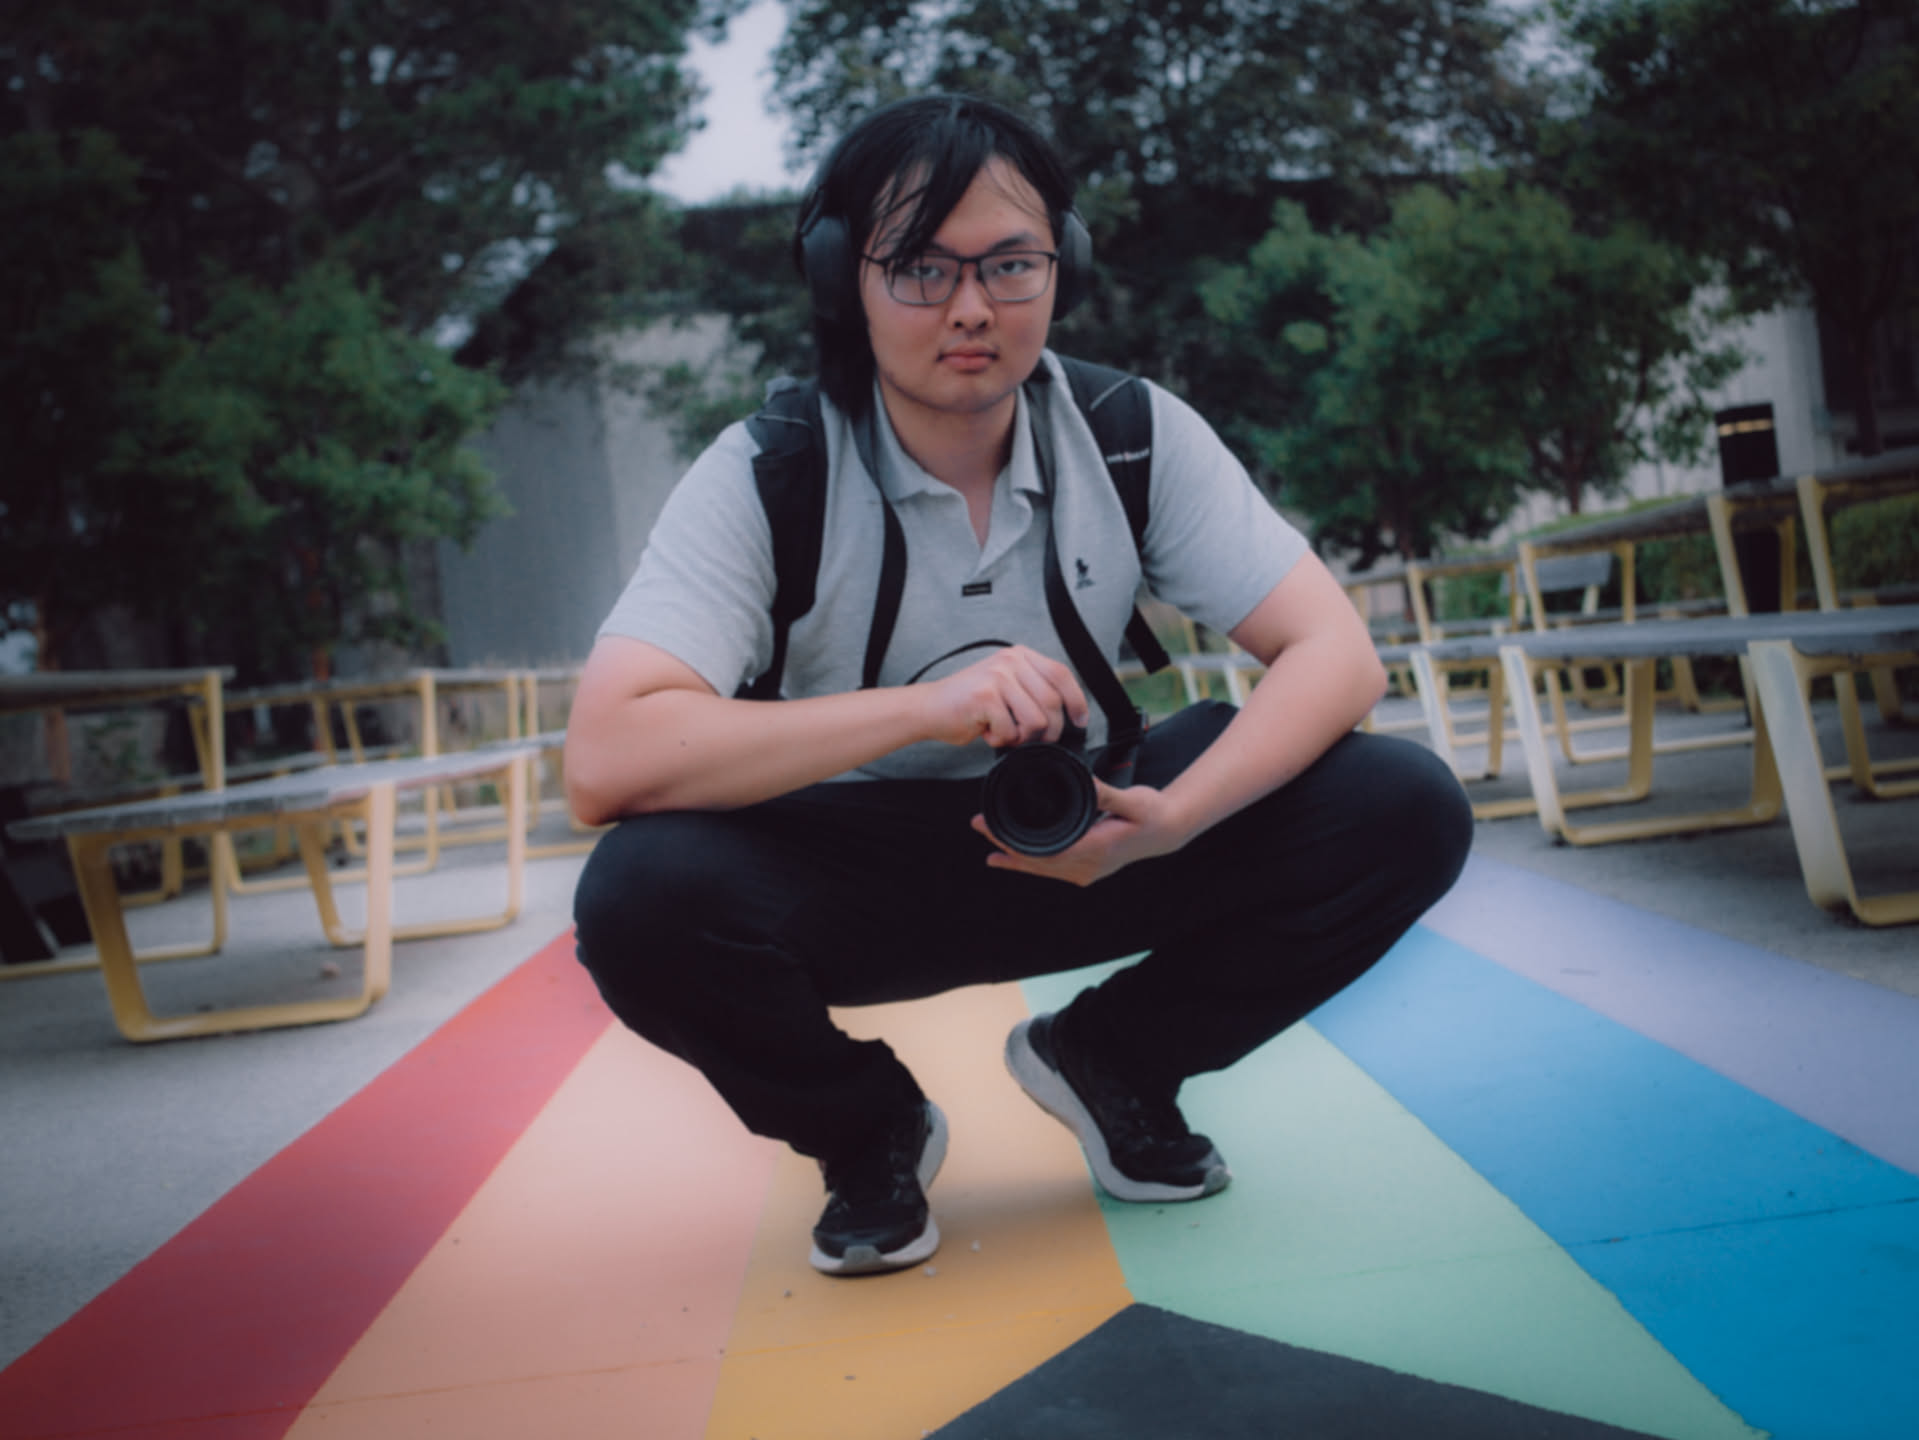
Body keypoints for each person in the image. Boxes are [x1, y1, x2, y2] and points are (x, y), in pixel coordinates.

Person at [566, 94, 1472, 1277]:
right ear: (840, 276)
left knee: (1401, 804)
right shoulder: (768, 470)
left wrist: (1172, 819)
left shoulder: (1127, 431)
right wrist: (925, 708)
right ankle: (865, 1129)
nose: (970, 309)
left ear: (1063, 265)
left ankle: (1115, 1060)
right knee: (638, 896)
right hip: (851, 865)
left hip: (1094, 829)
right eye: (919, 268)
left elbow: (1335, 654)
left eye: (1009, 264)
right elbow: (605, 758)